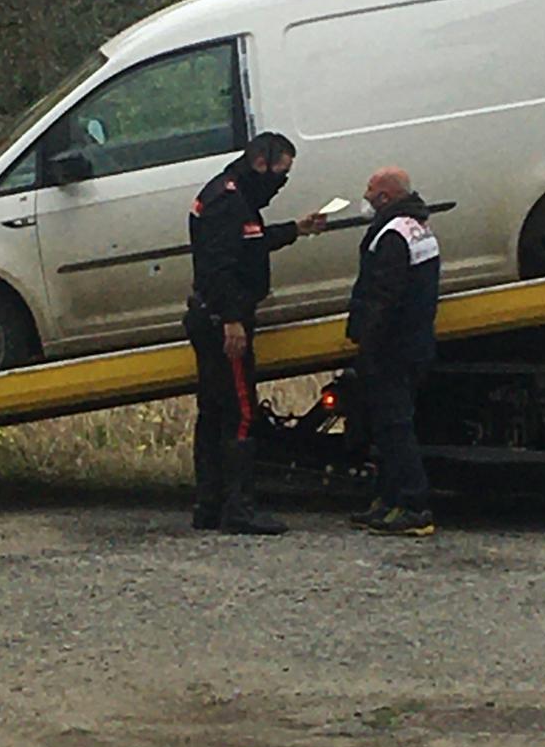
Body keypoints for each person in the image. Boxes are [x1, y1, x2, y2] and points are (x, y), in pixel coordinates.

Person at [185, 132, 325, 534]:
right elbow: (219, 266)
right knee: (241, 413)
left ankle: (209, 505)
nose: (281, 183)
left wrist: (296, 229)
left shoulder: (232, 195)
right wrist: (232, 319)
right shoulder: (229, 202)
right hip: (222, 321)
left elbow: (250, 242)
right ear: (261, 163)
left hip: (209, 315)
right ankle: (239, 509)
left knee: (213, 411)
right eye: (281, 173)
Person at [347, 167, 441, 536]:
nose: (366, 196)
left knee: (394, 426)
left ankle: (415, 506)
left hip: (393, 348)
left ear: (385, 196)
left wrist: (363, 338)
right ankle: (388, 501)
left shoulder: (391, 235)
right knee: (388, 427)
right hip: (414, 342)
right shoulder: (417, 227)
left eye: (370, 190)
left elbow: (381, 296)